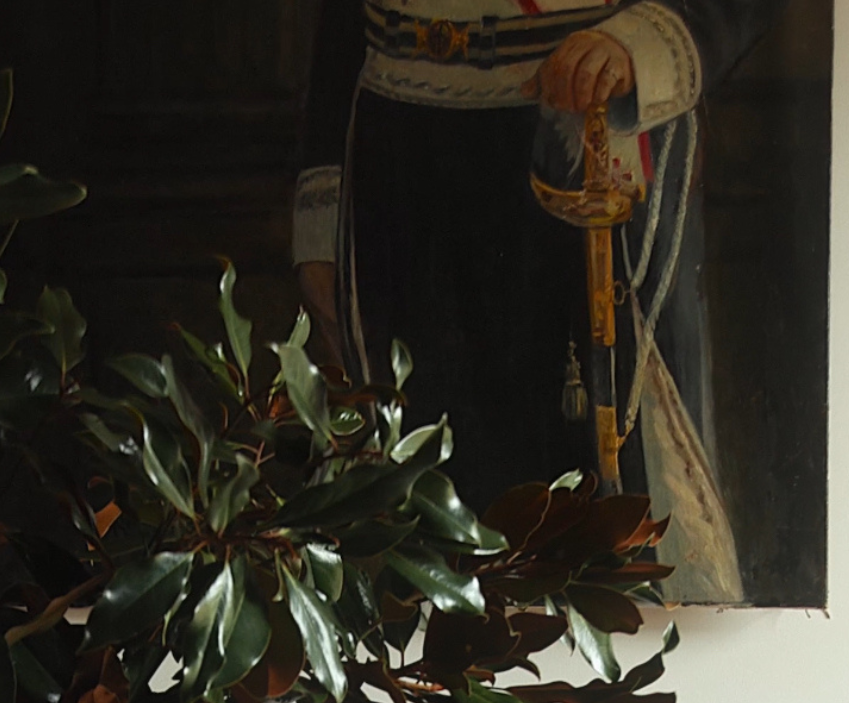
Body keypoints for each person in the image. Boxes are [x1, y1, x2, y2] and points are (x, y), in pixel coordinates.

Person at [295, 1, 784, 603]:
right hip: (394, 164)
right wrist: (320, 207)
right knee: (416, 562)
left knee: (601, 561)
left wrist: (641, 42)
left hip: (579, 140)